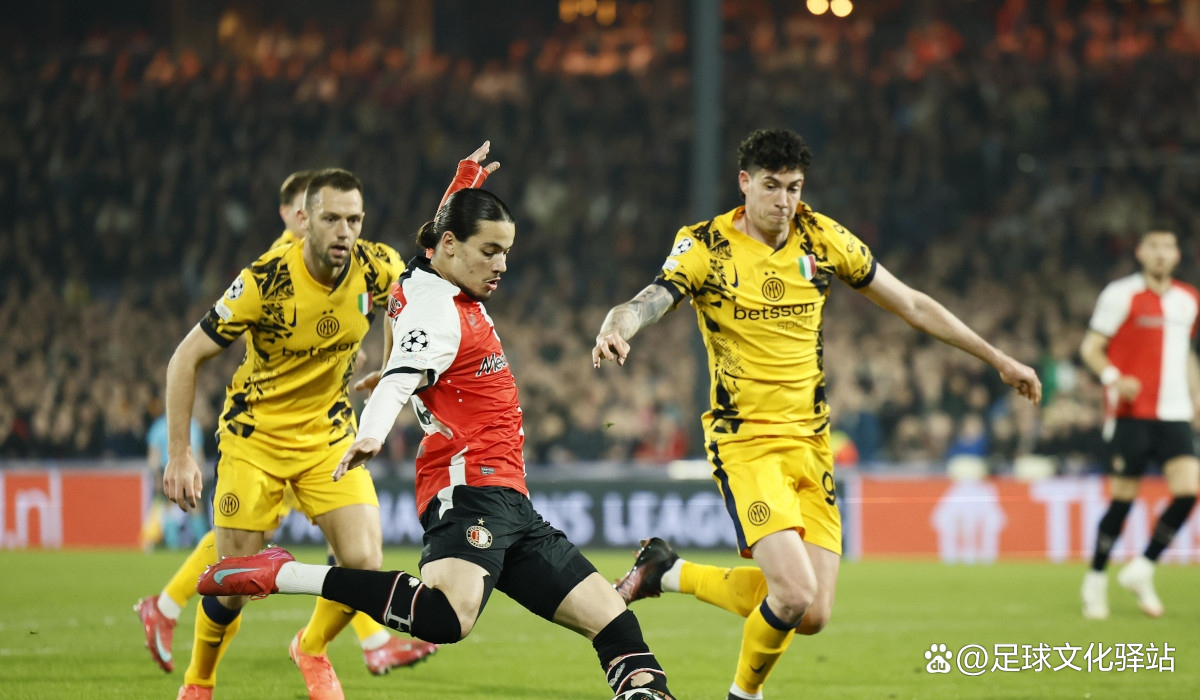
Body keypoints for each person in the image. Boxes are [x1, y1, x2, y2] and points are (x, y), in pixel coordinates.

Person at [591, 128, 1041, 700]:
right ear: (745, 183)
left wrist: (998, 358)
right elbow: (651, 298)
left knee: (813, 613)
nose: (784, 201)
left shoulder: (822, 238)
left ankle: (665, 571)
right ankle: (743, 695)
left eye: (794, 188)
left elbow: (911, 303)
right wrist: (618, 325)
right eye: (772, 186)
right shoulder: (706, 245)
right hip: (747, 442)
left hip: (812, 443)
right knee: (794, 594)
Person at [197, 187, 677, 700]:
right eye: (489, 251)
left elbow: (420, 270)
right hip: (468, 489)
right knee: (447, 616)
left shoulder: (427, 276)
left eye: (506, 251)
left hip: (512, 500)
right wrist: (372, 432)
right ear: (450, 244)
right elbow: (400, 380)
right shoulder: (439, 310)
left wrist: (465, 179)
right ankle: (283, 573)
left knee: (614, 621)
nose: (501, 265)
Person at [162, 149, 496, 700]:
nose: (345, 231)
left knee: (364, 563)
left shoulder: (375, 265)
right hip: (255, 439)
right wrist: (180, 453)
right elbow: (184, 358)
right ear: (305, 219)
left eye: (354, 219)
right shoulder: (264, 281)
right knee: (233, 584)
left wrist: (390, 363)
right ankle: (199, 681)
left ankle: (311, 647)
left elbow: (413, 291)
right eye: (332, 219)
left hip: (328, 437)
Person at [1079, 227, 1200, 620]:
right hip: (1131, 414)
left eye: (1168, 246)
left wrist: (1196, 397)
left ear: (1177, 254)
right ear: (1141, 253)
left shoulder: (1189, 300)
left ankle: (1143, 567)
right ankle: (1095, 580)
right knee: (1123, 500)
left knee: (1188, 492)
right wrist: (1114, 378)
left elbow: (1184, 354)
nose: (1161, 253)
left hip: (1175, 412)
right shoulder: (1120, 294)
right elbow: (1091, 348)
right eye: (1154, 246)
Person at [141, 395, 207, 552]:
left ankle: (184, 546)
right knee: (180, 506)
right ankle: (188, 546)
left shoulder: (191, 425)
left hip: (185, 472)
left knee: (186, 507)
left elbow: (199, 455)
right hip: (173, 472)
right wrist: (158, 475)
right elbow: (154, 457)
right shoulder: (162, 426)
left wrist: (200, 474)